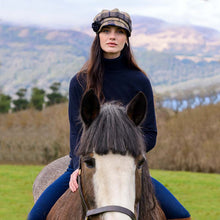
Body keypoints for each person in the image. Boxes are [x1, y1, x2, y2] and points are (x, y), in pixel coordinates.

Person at [28, 8, 191, 220]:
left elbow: (150, 133)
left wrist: (125, 152)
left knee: (181, 215)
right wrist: (78, 166)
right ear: (98, 36)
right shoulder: (79, 82)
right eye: (106, 31)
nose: (112, 36)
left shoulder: (140, 81)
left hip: (128, 165)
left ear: (127, 39)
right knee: (34, 217)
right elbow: (77, 133)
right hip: (87, 163)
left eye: (119, 32)